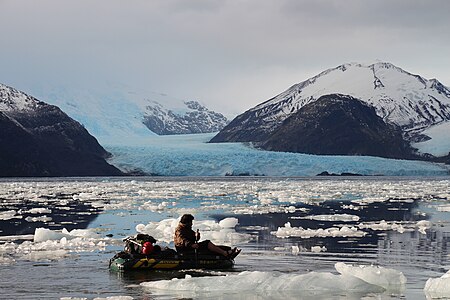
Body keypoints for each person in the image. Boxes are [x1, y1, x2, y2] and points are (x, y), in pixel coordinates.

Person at [174, 214, 241, 259]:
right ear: (187, 222)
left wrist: (197, 236)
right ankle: (225, 254)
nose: (192, 224)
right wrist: (191, 245)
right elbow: (181, 240)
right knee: (207, 243)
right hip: (185, 249)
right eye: (191, 222)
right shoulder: (179, 230)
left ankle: (228, 251)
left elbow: (194, 238)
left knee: (223, 247)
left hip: (191, 247)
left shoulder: (187, 229)